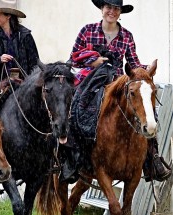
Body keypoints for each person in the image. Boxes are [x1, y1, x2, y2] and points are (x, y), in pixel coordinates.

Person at [61, 0, 171, 183]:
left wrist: (146, 70)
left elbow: (133, 63)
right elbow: (72, 60)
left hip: (117, 86)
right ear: (102, 9)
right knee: (74, 109)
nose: (111, 11)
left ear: (120, 12)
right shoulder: (87, 31)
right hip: (91, 83)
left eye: (116, 9)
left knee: (147, 112)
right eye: (108, 8)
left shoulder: (127, 36)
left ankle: (153, 159)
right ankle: (72, 160)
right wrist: (93, 62)